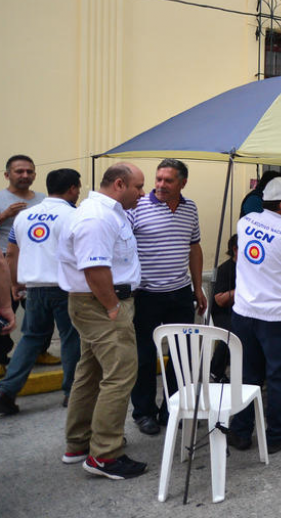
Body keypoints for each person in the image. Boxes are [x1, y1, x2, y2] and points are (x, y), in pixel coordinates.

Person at [57, 162, 147, 480]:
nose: (143, 192)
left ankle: (78, 443)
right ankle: (104, 455)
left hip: (99, 303)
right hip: (101, 303)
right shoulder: (97, 216)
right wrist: (112, 309)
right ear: (120, 184)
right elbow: (95, 269)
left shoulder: (109, 212)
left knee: (91, 372)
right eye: (139, 186)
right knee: (120, 375)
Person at [226, 177, 281, 454]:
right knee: (279, 375)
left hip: (244, 311)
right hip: (278, 317)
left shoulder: (246, 223)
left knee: (247, 373)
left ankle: (240, 432)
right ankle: (277, 434)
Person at [127, 159, 207, 437]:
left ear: (182, 183)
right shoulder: (137, 207)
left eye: (168, 180)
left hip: (180, 294)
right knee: (145, 357)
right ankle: (144, 412)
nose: (160, 185)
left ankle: (173, 408)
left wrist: (198, 288)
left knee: (180, 355)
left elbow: (194, 248)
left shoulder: (190, 208)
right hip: (145, 295)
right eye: (158, 179)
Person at [0, 169, 82, 415]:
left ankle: (7, 390)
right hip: (65, 287)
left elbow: (12, 253)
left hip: (34, 288)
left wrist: (15, 284)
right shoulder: (74, 215)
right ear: (72, 189)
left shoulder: (24, 216)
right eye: (77, 187)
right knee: (71, 339)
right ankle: (71, 392)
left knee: (31, 337)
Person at [0, 155, 50, 376]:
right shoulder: (1, 197)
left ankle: (41, 351)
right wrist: (5, 215)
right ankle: (1, 358)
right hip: (4, 262)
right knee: (3, 311)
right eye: (19, 171)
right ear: (7, 175)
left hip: (35, 264)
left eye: (29, 171)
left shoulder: (43, 199)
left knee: (43, 312)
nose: (25, 175)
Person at [209, 234, 238, 382]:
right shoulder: (224, 270)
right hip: (223, 312)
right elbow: (219, 300)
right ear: (235, 249)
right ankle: (216, 370)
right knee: (232, 333)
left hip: (243, 311)